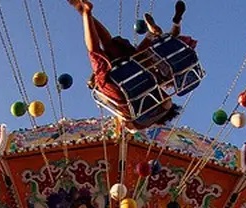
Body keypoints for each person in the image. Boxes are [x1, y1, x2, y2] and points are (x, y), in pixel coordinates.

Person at [69, 0, 187, 129]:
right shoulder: (140, 124)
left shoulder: (163, 102)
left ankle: (85, 13)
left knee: (108, 43)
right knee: (95, 52)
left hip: (133, 70)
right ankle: (86, 13)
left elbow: (157, 86)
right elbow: (122, 116)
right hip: (119, 88)